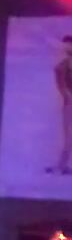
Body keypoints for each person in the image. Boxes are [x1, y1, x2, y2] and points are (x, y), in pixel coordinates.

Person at [49, 36, 72, 176]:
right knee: (68, 136)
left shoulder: (62, 65)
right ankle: (61, 165)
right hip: (69, 104)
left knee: (68, 136)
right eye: (66, 46)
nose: (67, 48)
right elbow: (62, 86)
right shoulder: (61, 66)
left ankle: (62, 166)